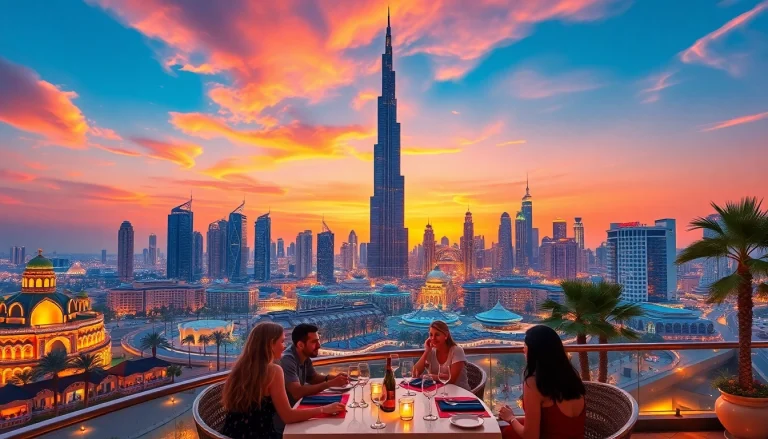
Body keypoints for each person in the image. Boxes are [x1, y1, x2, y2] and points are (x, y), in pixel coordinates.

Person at [221, 322, 346, 439]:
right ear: (270, 344)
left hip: (229, 433)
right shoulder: (274, 371)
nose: (284, 346)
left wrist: (330, 379)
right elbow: (288, 416)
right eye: (281, 342)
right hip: (260, 434)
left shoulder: (240, 369)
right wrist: (324, 409)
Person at [498, 325, 586, 439]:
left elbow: (530, 436)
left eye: (525, 345)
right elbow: (556, 422)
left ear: (535, 351)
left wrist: (511, 419)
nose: (523, 349)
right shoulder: (572, 377)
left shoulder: (534, 383)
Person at [413, 320, 470, 390]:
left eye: (437, 335)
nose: (433, 338)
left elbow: (451, 380)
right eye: (431, 335)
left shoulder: (457, 350)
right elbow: (415, 373)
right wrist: (427, 351)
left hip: (461, 394)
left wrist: (431, 376)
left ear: (446, 335)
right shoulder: (431, 351)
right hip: (439, 392)